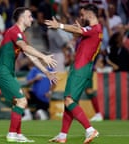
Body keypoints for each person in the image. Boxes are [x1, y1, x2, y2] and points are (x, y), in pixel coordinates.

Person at [0, 7, 58, 143]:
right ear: (21, 18)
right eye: (29, 16)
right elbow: (26, 48)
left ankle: (17, 134)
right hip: (3, 72)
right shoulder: (14, 31)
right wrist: (44, 57)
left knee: (17, 103)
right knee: (22, 101)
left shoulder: (20, 34)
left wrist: (46, 72)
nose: (32, 19)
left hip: (8, 73)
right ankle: (12, 134)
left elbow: (32, 57)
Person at [44, 4, 102, 144]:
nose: (81, 17)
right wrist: (75, 30)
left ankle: (90, 129)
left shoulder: (95, 28)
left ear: (89, 14)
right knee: (69, 102)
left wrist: (60, 26)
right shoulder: (95, 30)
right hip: (82, 68)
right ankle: (62, 135)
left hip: (80, 68)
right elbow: (79, 32)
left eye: (83, 15)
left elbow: (79, 30)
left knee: (69, 100)